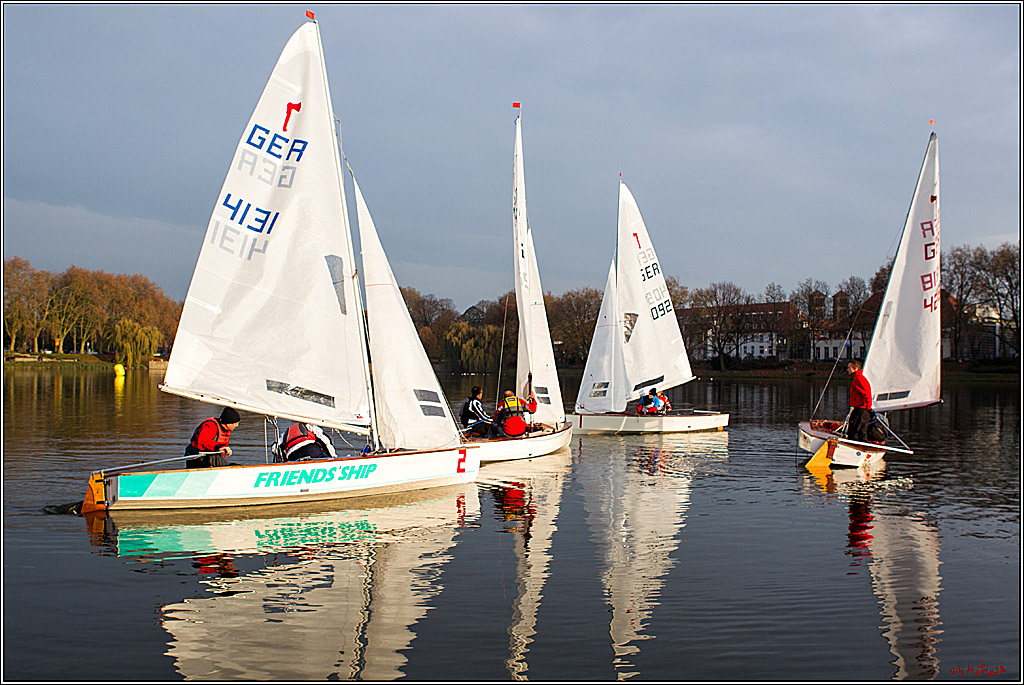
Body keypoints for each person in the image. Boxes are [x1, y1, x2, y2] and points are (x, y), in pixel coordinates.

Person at [846, 360, 873, 442]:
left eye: (849, 368)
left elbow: (867, 393)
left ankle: (856, 449)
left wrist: (868, 408)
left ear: (855, 368)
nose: (847, 370)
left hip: (861, 410)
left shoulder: (859, 379)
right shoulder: (857, 378)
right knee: (858, 431)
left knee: (855, 431)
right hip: (859, 409)